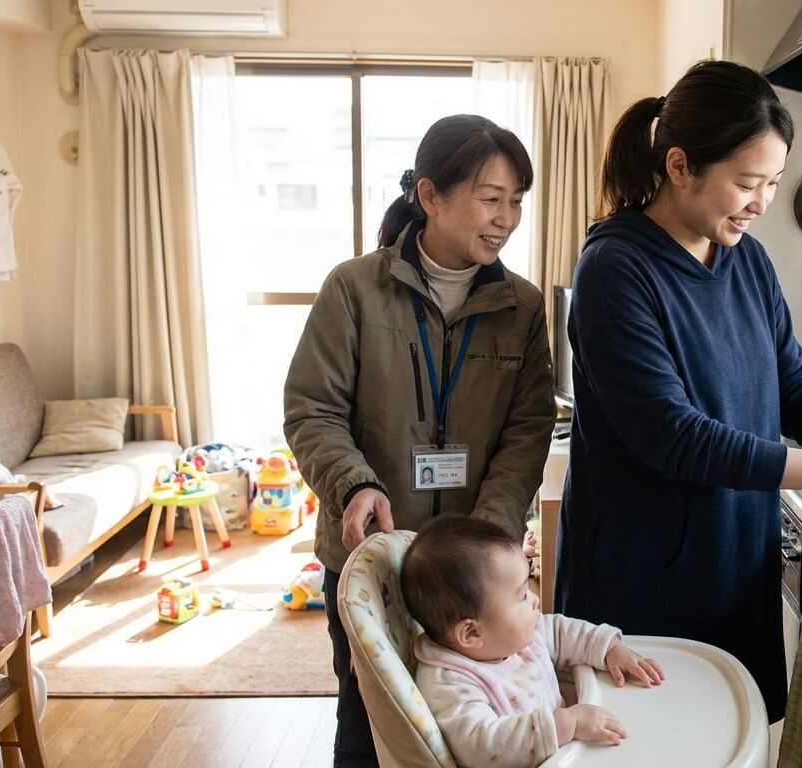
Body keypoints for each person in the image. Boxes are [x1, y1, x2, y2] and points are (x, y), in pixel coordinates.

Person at [553, 61, 802, 723]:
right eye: (747, 182)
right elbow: (671, 436)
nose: (762, 203)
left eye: (773, 183)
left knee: (734, 740)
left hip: (732, 565)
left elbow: (792, 381)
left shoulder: (745, 259)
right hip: (642, 579)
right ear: (680, 166)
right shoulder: (615, 270)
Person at [284, 114, 556, 767]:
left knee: (476, 719)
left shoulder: (521, 307)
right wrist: (356, 483)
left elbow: (528, 428)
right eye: (492, 198)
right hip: (371, 555)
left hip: (473, 576)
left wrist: (485, 540)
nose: (507, 217)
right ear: (430, 196)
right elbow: (312, 409)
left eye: (517, 201)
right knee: (368, 720)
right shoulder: (353, 289)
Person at [402, 516, 664, 768]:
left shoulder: (512, 635)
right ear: (471, 634)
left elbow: (562, 632)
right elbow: (483, 747)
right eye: (521, 596)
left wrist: (609, 649)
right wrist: (566, 724)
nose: (535, 600)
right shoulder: (450, 684)